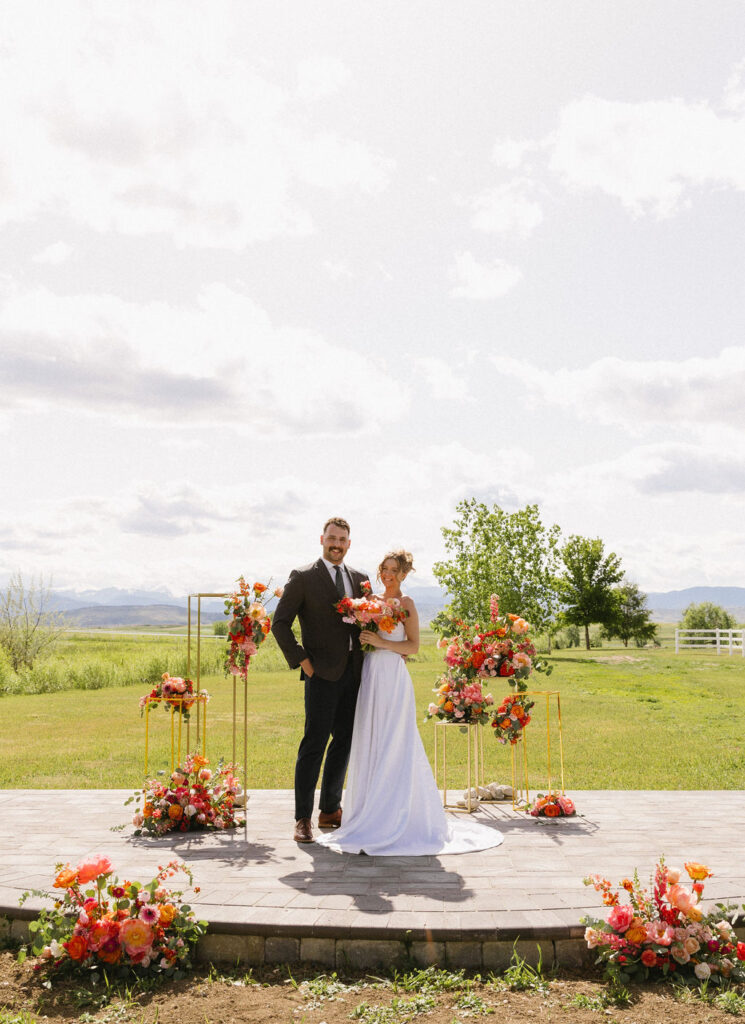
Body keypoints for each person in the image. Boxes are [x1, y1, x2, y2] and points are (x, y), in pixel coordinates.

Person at [316, 550, 503, 856]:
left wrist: (381, 643)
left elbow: (413, 646)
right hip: (370, 676)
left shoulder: (407, 604)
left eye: (395, 570)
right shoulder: (370, 602)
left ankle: (398, 816)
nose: (388, 574)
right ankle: (368, 813)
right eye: (385, 568)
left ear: (404, 574)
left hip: (393, 677)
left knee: (394, 741)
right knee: (371, 740)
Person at [272, 517, 370, 844]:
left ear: (349, 543)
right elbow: (280, 624)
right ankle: (302, 819)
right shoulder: (302, 577)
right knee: (313, 745)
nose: (337, 544)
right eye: (332, 538)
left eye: (342, 539)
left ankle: (330, 808)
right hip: (320, 675)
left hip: (355, 675)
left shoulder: (360, 579)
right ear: (321, 539)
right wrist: (303, 662)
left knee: (343, 742)